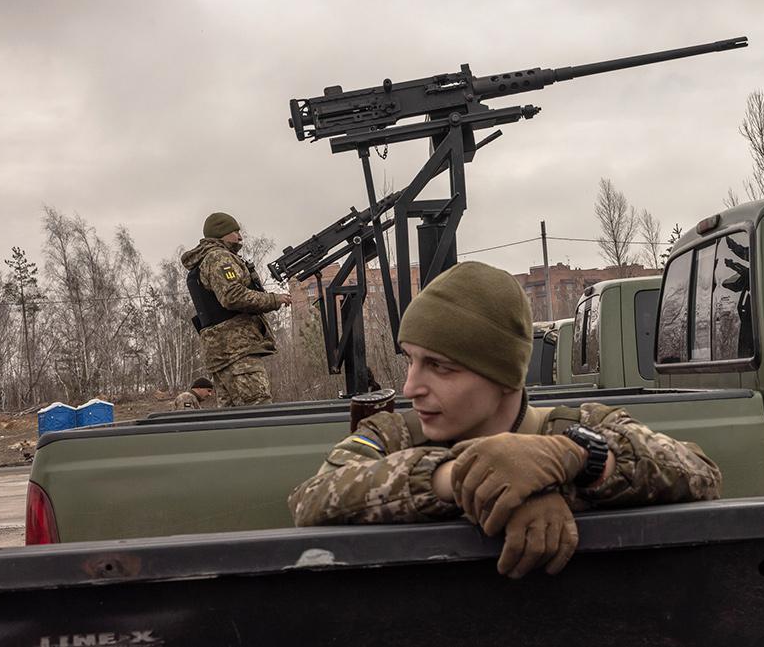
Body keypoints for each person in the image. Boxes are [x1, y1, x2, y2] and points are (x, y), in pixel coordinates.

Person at [288, 261, 721, 579]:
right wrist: (462, 476)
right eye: (411, 361)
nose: (410, 388)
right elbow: (312, 501)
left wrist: (576, 457)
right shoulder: (393, 435)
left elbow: (700, 474)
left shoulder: (579, 423)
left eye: (439, 366)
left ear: (502, 376)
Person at [181, 212, 291, 407]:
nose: (240, 237)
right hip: (237, 350)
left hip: (221, 354)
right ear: (221, 234)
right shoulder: (219, 257)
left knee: (232, 418)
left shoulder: (204, 260)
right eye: (235, 232)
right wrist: (274, 299)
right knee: (259, 409)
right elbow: (233, 295)